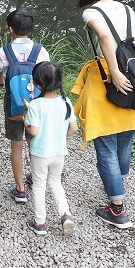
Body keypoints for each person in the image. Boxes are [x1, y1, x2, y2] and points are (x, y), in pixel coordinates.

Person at [70, 0, 135, 229]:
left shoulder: (90, 12)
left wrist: (116, 73)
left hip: (107, 79)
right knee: (125, 138)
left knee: (105, 145)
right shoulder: (127, 9)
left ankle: (117, 210)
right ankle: (117, 185)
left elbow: (106, 37)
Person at [0, 9, 50, 203]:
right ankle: (35, 177)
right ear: (30, 29)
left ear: (10, 29)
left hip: (14, 106)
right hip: (36, 106)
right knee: (33, 143)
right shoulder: (40, 50)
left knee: (16, 146)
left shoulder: (5, 51)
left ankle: (20, 190)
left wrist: (1, 84)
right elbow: (47, 76)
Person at [24, 61, 79, 235]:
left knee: (39, 185)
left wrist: (25, 121)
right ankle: (66, 215)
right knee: (55, 182)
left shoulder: (36, 104)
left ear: (38, 84)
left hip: (40, 153)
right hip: (59, 152)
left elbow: (34, 130)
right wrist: (60, 138)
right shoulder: (66, 101)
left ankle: (40, 223)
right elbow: (74, 128)